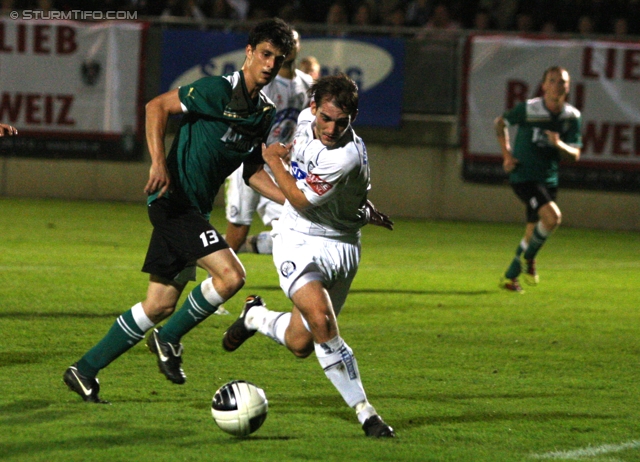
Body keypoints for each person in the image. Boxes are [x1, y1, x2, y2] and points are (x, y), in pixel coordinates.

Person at [62, 18, 296, 403]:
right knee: (231, 277)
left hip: (195, 211)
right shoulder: (215, 89)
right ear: (250, 53)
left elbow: (252, 169)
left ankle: (83, 369)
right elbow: (157, 106)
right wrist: (158, 163)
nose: (270, 64)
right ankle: (168, 339)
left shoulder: (263, 112)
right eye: (265, 54)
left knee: (160, 304)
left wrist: (293, 201)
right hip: (173, 202)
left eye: (279, 58)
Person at [222, 74, 397, 437]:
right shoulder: (303, 121)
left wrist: (273, 159)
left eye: (342, 121)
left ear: (353, 117)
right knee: (322, 323)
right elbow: (297, 206)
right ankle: (367, 414)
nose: (331, 128)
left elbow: (300, 197)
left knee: (301, 343)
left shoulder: (346, 156)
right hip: (296, 237)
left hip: (343, 246)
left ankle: (255, 317)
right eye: (326, 118)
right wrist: (267, 160)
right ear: (314, 108)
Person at [224, 29, 313, 255]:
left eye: (294, 41)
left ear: (299, 46)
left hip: (279, 166)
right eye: (286, 42)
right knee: (239, 227)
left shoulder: (307, 84)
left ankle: (233, 250)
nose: (291, 45)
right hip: (249, 162)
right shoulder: (265, 81)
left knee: (294, 226)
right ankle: (214, 275)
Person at [495, 66, 581, 293]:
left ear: (568, 86)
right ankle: (529, 259)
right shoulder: (529, 109)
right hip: (524, 176)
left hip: (548, 179)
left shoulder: (572, 116)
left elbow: (575, 154)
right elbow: (500, 123)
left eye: (562, 81)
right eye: (552, 81)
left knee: (533, 233)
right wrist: (506, 155)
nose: (557, 85)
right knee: (553, 218)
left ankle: (509, 278)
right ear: (544, 86)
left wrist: (558, 144)